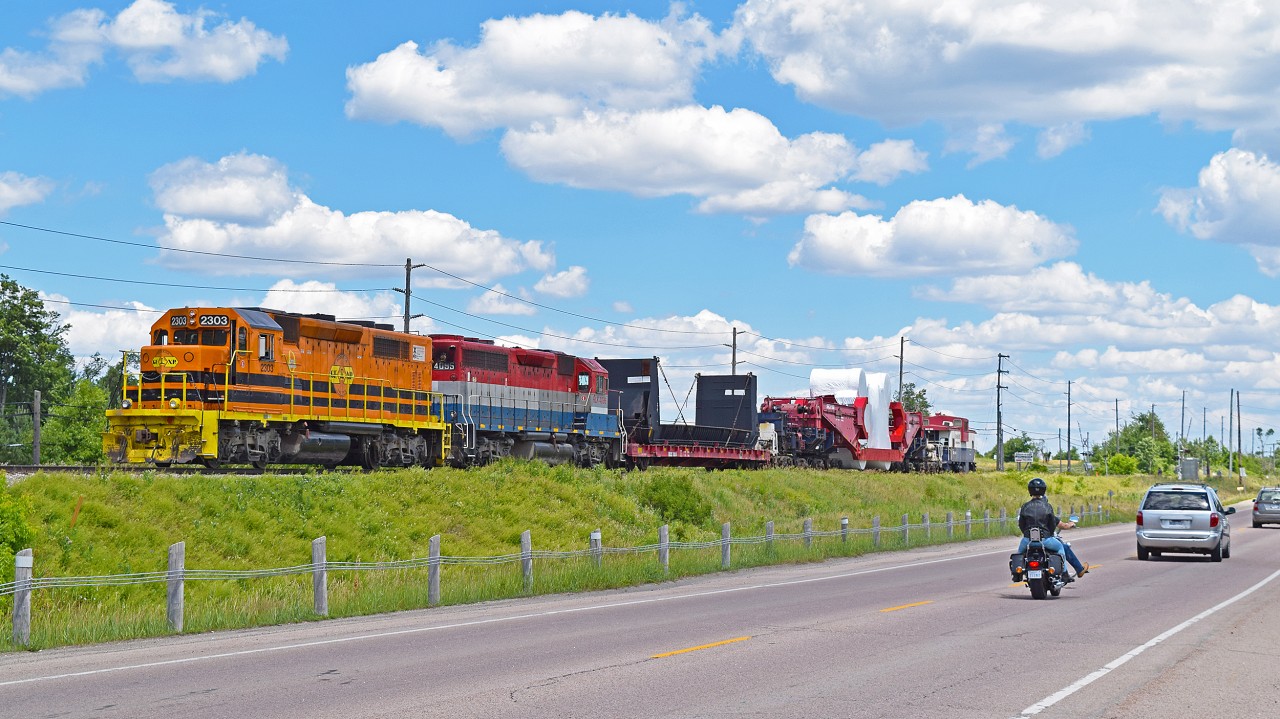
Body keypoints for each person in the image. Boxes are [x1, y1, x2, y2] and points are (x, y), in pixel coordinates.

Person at [1017, 477, 1078, 581]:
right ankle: (1064, 574)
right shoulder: (1047, 506)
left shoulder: (1025, 506)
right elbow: (1052, 524)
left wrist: (1027, 535)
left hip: (1028, 540)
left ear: (1029, 490)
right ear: (1043, 490)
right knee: (1060, 548)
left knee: (1019, 553)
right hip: (1045, 539)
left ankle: (1017, 574)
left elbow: (1021, 524)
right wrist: (1048, 534)